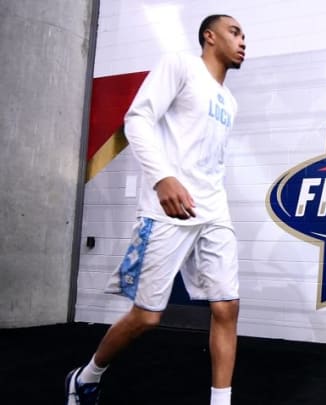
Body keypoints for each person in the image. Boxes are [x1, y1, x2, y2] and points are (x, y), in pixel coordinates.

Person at [65, 14, 246, 405]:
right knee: (147, 317)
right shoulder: (180, 66)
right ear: (209, 37)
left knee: (227, 306)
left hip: (213, 211)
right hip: (169, 210)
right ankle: (85, 377)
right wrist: (163, 177)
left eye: (244, 35)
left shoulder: (229, 101)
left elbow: (211, 160)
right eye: (235, 32)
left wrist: (218, 203)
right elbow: (138, 119)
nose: (243, 41)